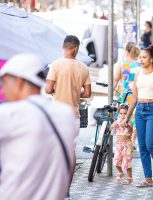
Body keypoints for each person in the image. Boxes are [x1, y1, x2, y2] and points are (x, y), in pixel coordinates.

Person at [0, 54, 77, 199]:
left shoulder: (10, 114)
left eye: (4, 83)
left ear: (18, 81)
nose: (3, 91)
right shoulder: (65, 113)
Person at [45, 35, 91, 197]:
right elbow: (88, 93)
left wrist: (59, 89)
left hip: (56, 114)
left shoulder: (56, 64)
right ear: (76, 49)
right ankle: (66, 190)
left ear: (64, 48)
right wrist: (75, 91)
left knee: (53, 150)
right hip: (73, 115)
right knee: (70, 152)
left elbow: (48, 89)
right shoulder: (84, 68)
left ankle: (52, 186)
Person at [122, 45, 153, 188]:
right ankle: (148, 178)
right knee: (142, 146)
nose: (141, 60)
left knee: (150, 144)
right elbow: (134, 97)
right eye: (140, 57)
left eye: (144, 57)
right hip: (140, 110)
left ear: (152, 59)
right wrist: (127, 117)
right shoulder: (138, 75)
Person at [113, 42, 141, 145]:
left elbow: (115, 80)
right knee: (134, 120)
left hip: (124, 95)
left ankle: (123, 140)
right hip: (136, 95)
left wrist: (111, 95)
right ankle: (132, 142)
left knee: (123, 117)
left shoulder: (121, 64)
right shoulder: (140, 64)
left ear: (126, 51)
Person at [112, 105, 134, 185]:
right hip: (118, 145)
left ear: (128, 114)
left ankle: (130, 177)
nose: (123, 115)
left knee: (127, 162)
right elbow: (111, 128)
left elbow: (131, 130)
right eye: (121, 114)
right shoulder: (117, 121)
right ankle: (120, 172)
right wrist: (113, 126)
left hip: (127, 146)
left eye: (125, 113)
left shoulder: (129, 122)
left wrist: (127, 126)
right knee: (116, 160)